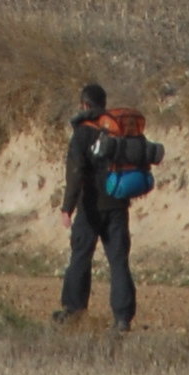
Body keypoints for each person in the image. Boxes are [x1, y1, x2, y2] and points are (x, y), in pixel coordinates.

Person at [55, 80, 138, 332]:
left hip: (90, 206)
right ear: (103, 105)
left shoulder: (82, 133)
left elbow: (76, 171)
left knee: (80, 256)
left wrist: (67, 206)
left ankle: (73, 311)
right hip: (117, 203)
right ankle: (123, 318)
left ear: (84, 104)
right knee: (118, 260)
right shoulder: (116, 129)